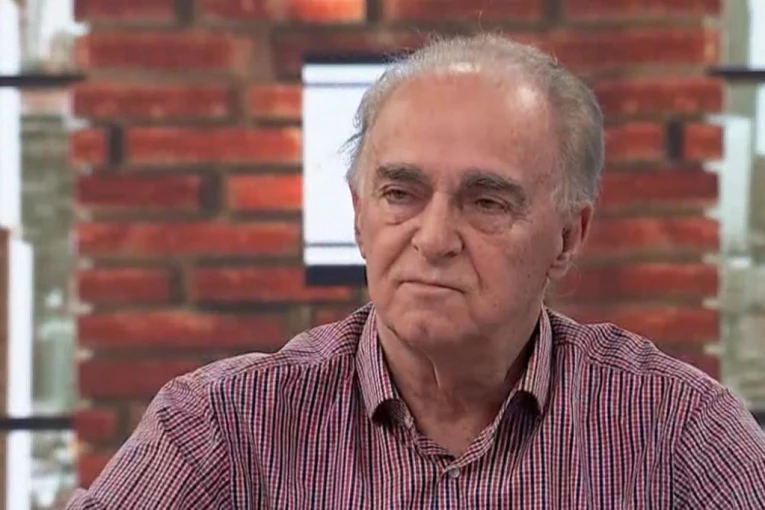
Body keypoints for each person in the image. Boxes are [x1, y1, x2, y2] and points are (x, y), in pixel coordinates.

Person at [66, 33, 765, 509]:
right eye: (401, 194)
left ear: (566, 237)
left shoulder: (678, 434)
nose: (432, 240)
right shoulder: (222, 429)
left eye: (486, 202)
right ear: (358, 215)